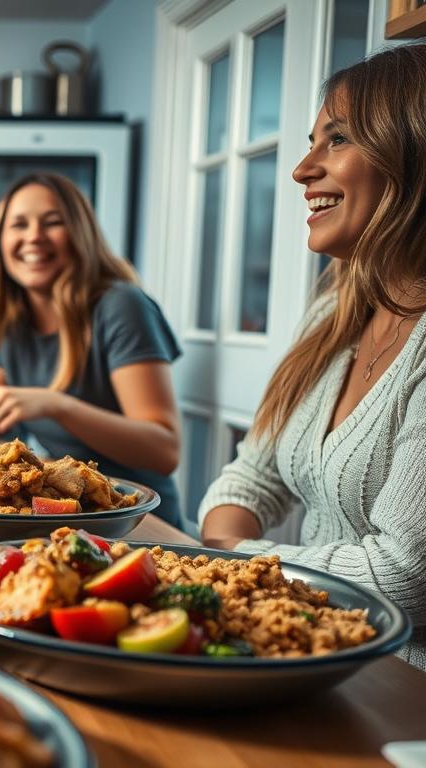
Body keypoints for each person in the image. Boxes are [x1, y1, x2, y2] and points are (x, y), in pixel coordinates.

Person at [198, 44, 426, 669]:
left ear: (413, 155)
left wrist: (229, 560)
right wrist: (228, 547)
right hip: (312, 656)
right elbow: (253, 474)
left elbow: (403, 576)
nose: (301, 170)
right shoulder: (333, 310)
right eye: (310, 142)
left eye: (338, 140)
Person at [0, 174, 183, 526]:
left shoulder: (121, 305)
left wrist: (57, 405)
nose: (33, 236)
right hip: (58, 520)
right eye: (19, 224)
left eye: (52, 222)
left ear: (80, 233)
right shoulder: (3, 316)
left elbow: (165, 450)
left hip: (134, 520)